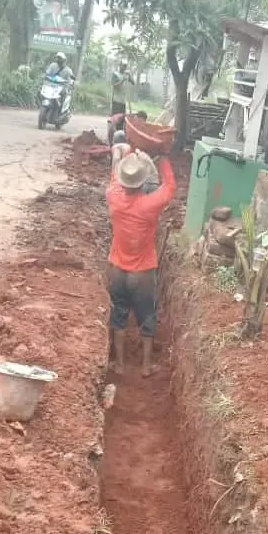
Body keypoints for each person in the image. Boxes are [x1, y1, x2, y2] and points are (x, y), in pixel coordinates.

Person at [106, 151, 176, 376]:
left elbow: (114, 179)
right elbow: (170, 186)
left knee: (119, 314)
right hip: (143, 273)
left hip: (117, 269)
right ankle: (146, 366)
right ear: (142, 182)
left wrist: (128, 154)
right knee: (147, 316)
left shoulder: (113, 198)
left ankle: (119, 364)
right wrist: (163, 156)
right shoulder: (150, 205)